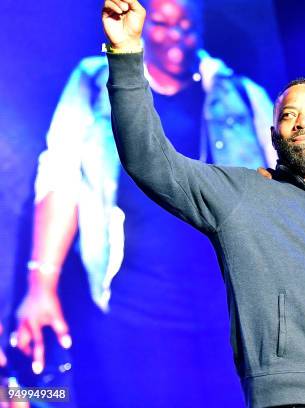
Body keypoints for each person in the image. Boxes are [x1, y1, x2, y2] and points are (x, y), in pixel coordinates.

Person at [100, 0, 305, 406]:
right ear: (274, 134)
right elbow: (150, 160)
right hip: (294, 399)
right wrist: (127, 52)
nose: (303, 122)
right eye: (289, 115)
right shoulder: (241, 196)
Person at [13, 0, 276, 406]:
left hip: (229, 306)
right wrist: (40, 285)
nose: (176, 34)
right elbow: (60, 179)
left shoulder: (240, 94)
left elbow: (280, 193)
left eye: (186, 23)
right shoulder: (92, 82)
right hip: (134, 305)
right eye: (164, 22)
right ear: (140, 22)